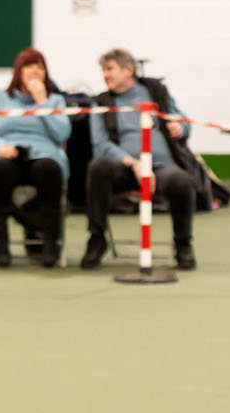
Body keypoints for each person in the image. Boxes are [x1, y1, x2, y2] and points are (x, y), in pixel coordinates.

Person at [81, 48, 198, 270]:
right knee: (98, 167)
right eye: (103, 70)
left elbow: (183, 120)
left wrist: (180, 127)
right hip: (125, 168)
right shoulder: (101, 102)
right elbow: (101, 145)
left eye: (109, 69)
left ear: (129, 70)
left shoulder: (156, 91)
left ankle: (183, 244)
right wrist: (134, 164)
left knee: (182, 181)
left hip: (161, 167)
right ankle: (96, 238)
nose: (105, 75)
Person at [0, 47, 71, 267]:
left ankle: (50, 243)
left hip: (43, 155)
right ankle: (0, 244)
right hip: (8, 155)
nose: (35, 71)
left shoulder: (55, 101)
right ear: (18, 71)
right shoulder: (0, 99)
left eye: (40, 67)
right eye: (29, 66)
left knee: (49, 170)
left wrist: (42, 102)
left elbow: (62, 134)